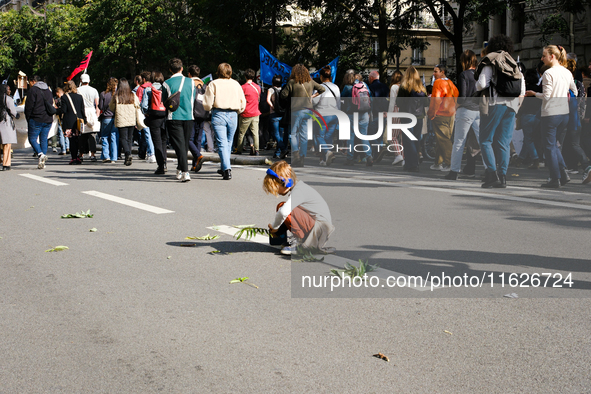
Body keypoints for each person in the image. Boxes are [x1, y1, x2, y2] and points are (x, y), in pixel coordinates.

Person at [475, 35, 525, 188]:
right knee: (503, 142)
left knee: (485, 140)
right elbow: (522, 88)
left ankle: (491, 174)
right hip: (511, 106)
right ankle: (502, 177)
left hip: (495, 103)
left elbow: (481, 84)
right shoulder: (514, 64)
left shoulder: (491, 61)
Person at [525, 45, 577, 188]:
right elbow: (575, 91)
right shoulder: (566, 72)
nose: (542, 59)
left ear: (552, 56)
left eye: (544, 56)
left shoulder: (548, 74)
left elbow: (547, 96)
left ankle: (555, 178)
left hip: (551, 114)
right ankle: (563, 173)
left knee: (549, 146)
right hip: (564, 114)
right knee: (554, 145)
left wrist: (534, 94)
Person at [264, 160, 335, 255]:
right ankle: (292, 240)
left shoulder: (299, 191)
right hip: (318, 227)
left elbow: (283, 212)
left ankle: (300, 244)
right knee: (282, 207)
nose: (276, 192)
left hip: (320, 229)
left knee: (283, 208)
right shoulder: (298, 189)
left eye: (276, 188)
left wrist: (275, 228)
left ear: (286, 182)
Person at [203, 62, 246, 180]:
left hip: (219, 113)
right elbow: (243, 102)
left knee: (221, 143)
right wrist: (239, 110)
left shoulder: (213, 84)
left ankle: (227, 169)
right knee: (228, 142)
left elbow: (207, 104)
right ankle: (224, 167)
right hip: (233, 114)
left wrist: (209, 108)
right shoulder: (236, 84)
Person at [445, 50, 481, 180]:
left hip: (465, 110)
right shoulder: (480, 74)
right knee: (483, 142)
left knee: (459, 141)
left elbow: (463, 96)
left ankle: (454, 171)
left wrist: (456, 106)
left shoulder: (464, 75)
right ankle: (490, 171)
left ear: (464, 61)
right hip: (479, 109)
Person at [280, 64, 325, 167]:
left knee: (293, 134)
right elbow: (322, 89)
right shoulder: (311, 82)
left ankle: (296, 155)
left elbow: (283, 95)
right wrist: (312, 96)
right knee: (304, 134)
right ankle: (302, 157)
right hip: (308, 111)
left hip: (296, 110)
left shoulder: (292, 82)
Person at [162, 58, 195, 183]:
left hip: (174, 117)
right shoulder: (191, 82)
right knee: (184, 145)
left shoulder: (166, 83)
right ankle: (180, 168)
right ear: (182, 68)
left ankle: (185, 172)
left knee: (179, 146)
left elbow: (164, 101)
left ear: (170, 69)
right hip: (189, 116)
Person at [427, 64, 458, 172]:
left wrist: (431, 113)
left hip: (441, 114)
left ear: (442, 72)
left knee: (444, 140)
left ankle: (450, 163)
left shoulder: (438, 82)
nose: (434, 74)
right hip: (451, 114)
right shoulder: (450, 83)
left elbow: (436, 99)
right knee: (443, 138)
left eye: (436, 71)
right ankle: (438, 162)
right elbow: (457, 95)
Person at [397, 66, 427, 172]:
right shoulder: (422, 88)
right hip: (419, 116)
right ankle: (414, 163)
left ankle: (412, 164)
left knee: (407, 141)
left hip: (407, 116)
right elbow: (427, 102)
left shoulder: (404, 87)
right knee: (416, 140)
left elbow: (398, 102)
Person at [24, 75, 55, 169]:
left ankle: (40, 154)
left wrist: (28, 118)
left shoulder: (33, 90)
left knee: (32, 139)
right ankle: (42, 160)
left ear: (33, 81)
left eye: (29, 82)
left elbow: (29, 106)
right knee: (44, 139)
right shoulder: (48, 90)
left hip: (36, 118)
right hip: (48, 119)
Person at [109, 78, 141, 167]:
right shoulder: (132, 95)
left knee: (123, 138)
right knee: (129, 138)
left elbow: (111, 107)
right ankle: (128, 155)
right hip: (131, 119)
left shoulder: (116, 96)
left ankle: (127, 154)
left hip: (121, 119)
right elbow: (138, 105)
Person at [313, 65, 340, 166]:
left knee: (319, 136)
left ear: (321, 76)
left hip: (322, 114)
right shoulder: (336, 87)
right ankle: (325, 159)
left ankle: (328, 152)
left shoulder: (320, 88)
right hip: (334, 114)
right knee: (328, 137)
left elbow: (315, 101)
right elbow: (338, 102)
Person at [142, 71, 168, 175]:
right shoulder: (165, 88)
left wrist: (147, 113)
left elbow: (144, 106)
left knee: (156, 142)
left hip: (154, 117)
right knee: (163, 141)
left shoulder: (149, 89)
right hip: (165, 117)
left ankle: (161, 166)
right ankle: (165, 162)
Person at [516, 69, 542, 169]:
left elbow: (521, 103)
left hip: (526, 115)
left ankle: (536, 159)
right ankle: (520, 159)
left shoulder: (525, 89)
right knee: (529, 139)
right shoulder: (538, 89)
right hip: (537, 116)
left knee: (528, 139)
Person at [57, 81, 87, 165]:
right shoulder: (79, 97)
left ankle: (74, 157)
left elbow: (63, 110)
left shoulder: (65, 97)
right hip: (78, 121)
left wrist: (56, 111)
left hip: (69, 121)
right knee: (78, 139)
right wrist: (84, 120)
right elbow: (82, 109)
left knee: (72, 140)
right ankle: (78, 156)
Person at [235, 68, 262, 156]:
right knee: (255, 133)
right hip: (256, 112)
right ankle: (257, 150)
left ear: (245, 76)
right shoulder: (258, 87)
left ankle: (239, 149)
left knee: (241, 133)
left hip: (245, 113)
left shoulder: (242, 87)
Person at [187, 65, 206, 172]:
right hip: (202, 114)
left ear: (189, 74)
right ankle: (195, 164)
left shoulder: (189, 83)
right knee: (198, 139)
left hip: (191, 114)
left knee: (189, 138)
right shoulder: (204, 84)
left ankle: (198, 156)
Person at [77, 74, 100, 162]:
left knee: (82, 135)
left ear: (81, 81)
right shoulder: (94, 90)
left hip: (82, 112)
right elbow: (97, 104)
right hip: (92, 112)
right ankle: (93, 155)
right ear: (89, 80)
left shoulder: (78, 90)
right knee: (92, 135)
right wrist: (97, 115)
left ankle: (81, 154)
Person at [135, 71, 156, 163]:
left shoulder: (141, 88)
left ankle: (151, 153)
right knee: (151, 134)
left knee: (147, 134)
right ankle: (144, 152)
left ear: (143, 79)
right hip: (155, 112)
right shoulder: (153, 86)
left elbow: (138, 102)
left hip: (144, 113)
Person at [98, 77, 118, 163]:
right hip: (115, 117)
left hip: (106, 117)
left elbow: (100, 107)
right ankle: (114, 157)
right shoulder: (117, 94)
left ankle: (106, 155)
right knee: (114, 137)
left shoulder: (103, 94)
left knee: (105, 137)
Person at [267, 74, 287, 159]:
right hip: (282, 114)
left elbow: (268, 100)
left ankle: (282, 149)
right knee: (280, 134)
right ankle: (278, 153)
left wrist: (272, 107)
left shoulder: (271, 89)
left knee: (275, 134)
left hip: (274, 114)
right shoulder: (283, 89)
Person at [387, 70, 404, 165]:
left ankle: (398, 155)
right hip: (404, 111)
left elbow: (392, 102)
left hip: (396, 111)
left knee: (392, 136)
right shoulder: (405, 87)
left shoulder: (394, 87)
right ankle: (404, 158)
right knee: (402, 137)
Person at [0, 84, 17, 170]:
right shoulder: (7, 99)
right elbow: (13, 111)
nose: (10, 91)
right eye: (9, 89)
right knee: (7, 144)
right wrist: (17, 115)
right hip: (5, 122)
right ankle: (6, 164)